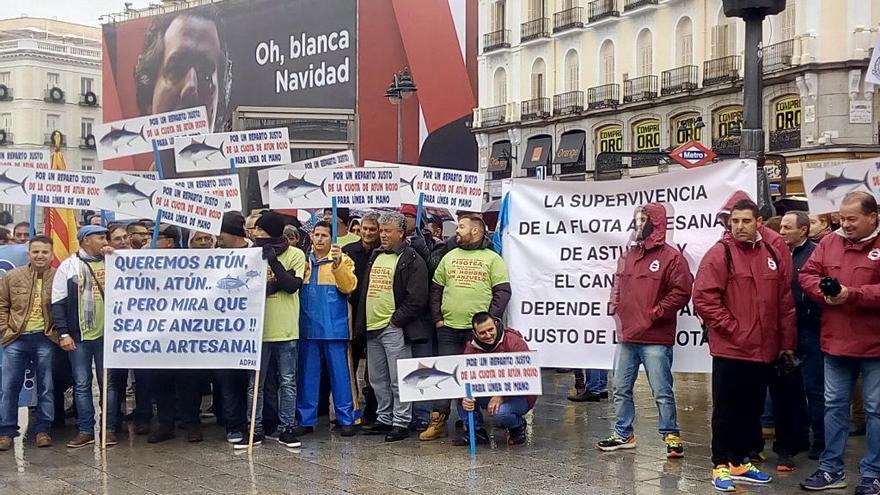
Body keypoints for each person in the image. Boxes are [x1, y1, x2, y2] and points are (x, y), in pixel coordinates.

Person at [693, 198, 796, 492]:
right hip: (732, 348)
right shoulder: (720, 253)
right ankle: (720, 464)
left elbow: (784, 304)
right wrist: (734, 330)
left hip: (765, 349)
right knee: (727, 409)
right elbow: (704, 298)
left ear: (758, 223)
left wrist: (786, 344)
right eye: (735, 221)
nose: (739, 226)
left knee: (751, 409)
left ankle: (739, 461)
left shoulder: (772, 252)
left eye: (746, 221)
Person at [799, 192, 880, 495]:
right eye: (841, 218)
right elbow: (807, 274)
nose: (844, 224)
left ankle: (873, 473)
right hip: (836, 341)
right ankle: (831, 468)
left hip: (875, 344)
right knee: (833, 406)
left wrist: (853, 294)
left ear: (872, 217)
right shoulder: (829, 242)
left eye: (851, 219)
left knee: (875, 409)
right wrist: (824, 292)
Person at [596, 203, 693, 457]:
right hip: (628, 335)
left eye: (643, 221)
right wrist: (615, 307)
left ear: (656, 223)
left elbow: (681, 292)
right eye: (636, 220)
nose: (638, 225)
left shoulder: (671, 257)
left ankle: (671, 434)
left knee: (661, 390)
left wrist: (654, 314)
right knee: (620, 387)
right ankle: (623, 432)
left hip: (655, 337)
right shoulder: (629, 255)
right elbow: (617, 285)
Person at [422, 214, 510, 441]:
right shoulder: (449, 255)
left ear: (476, 231)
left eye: (461, 227)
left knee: (476, 377)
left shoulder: (493, 259)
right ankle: (438, 419)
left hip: (478, 334)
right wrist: (437, 318)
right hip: (448, 327)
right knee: (445, 376)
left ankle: (473, 423)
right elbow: (436, 288)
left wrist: (490, 322)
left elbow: (502, 291)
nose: (456, 231)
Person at [51, 225, 126, 448]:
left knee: (109, 384)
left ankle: (109, 428)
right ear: (85, 241)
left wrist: (117, 255)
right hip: (80, 336)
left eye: (105, 237)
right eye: (99, 237)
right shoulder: (69, 267)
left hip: (109, 335)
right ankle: (85, 430)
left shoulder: (112, 260)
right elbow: (58, 303)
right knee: (82, 384)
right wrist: (64, 333)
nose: (104, 240)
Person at [357, 212, 428, 442]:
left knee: (400, 379)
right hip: (372, 327)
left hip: (394, 328)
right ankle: (384, 417)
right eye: (381, 230)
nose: (383, 235)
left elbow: (417, 297)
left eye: (387, 231)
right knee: (378, 378)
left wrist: (396, 320)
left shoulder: (411, 258)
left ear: (401, 232)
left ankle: (401, 421)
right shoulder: (376, 255)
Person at [239, 212, 305, 449]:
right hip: (258, 331)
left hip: (286, 328)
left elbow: (291, 286)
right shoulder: (250, 254)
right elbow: (247, 287)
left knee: (287, 382)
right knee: (255, 384)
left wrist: (274, 264)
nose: (256, 234)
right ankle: (254, 429)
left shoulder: (296, 254)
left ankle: (287, 427)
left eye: (261, 231)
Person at [297, 220, 358, 437]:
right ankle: (305, 419)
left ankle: (346, 417)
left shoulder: (343, 260)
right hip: (307, 328)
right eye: (317, 234)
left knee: (341, 375)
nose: (320, 238)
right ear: (311, 236)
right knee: (307, 376)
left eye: (324, 235)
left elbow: (349, 286)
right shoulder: (303, 261)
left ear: (332, 238)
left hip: (335, 328)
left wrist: (338, 264)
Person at [146, 225, 206, 444]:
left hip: (186, 333)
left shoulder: (188, 260)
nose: (151, 240)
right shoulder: (146, 261)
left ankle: (192, 425)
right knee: (160, 382)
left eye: (157, 237)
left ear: (170, 241)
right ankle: (165, 425)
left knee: (188, 382)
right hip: (157, 334)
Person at [0, 236, 57, 450]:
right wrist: (4, 330)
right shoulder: (12, 276)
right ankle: (6, 431)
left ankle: (43, 429)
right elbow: (2, 304)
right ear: (29, 254)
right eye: (36, 252)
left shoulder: (58, 278)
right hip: (16, 338)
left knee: (46, 386)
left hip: (45, 338)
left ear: (51, 254)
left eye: (44, 252)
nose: (40, 256)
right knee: (9, 387)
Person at [780, 211, 824, 462]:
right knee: (790, 388)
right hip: (786, 330)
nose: (783, 231)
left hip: (809, 329)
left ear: (803, 230)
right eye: (782, 227)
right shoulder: (779, 252)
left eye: (788, 227)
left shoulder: (816, 253)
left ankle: (821, 440)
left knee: (814, 388)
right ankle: (798, 437)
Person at [455, 312, 536, 446]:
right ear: (475, 333)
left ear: (496, 324)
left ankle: (518, 426)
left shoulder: (514, 342)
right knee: (461, 396)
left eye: (490, 330)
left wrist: (502, 395)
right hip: (488, 390)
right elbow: (466, 376)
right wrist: (466, 396)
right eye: (482, 333)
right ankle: (476, 431)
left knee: (500, 413)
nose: (488, 335)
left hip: (520, 395)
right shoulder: (471, 347)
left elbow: (526, 376)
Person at [343, 212, 381, 425]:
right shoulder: (349, 251)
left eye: (372, 229)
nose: (367, 233)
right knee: (350, 365)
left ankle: (372, 411)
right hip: (352, 315)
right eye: (364, 228)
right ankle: (351, 409)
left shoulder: (382, 253)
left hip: (374, 316)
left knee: (374, 370)